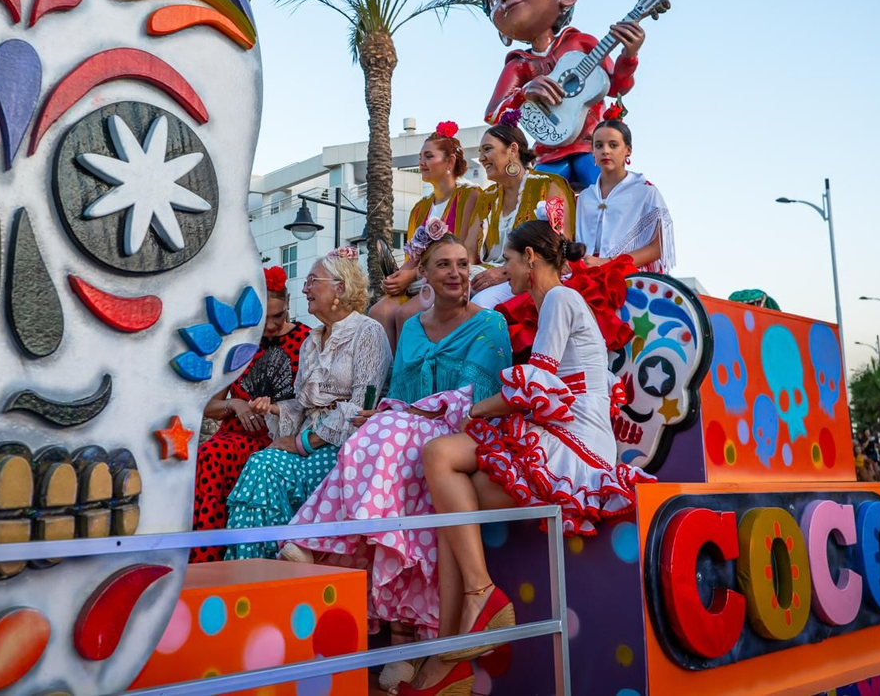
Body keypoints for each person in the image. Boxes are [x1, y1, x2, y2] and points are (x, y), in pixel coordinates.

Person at [399, 222, 652, 696]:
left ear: (531, 258)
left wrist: (474, 408)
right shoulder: (557, 301)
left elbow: (539, 386)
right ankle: (450, 656)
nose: (504, 271)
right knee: (456, 508)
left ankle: (480, 595)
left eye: (509, 261)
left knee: (438, 453)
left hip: (570, 443)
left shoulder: (559, 298)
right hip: (563, 435)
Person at [277, 235, 511, 691]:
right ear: (422, 274)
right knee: (375, 431)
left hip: (463, 433)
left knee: (385, 432)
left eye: (463, 264)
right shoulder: (413, 326)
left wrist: (399, 415)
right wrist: (388, 411)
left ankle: (318, 535)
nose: (456, 273)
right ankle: (402, 631)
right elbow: (401, 395)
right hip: (414, 431)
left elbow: (475, 402)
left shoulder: (490, 324)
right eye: (443, 264)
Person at [224, 249, 391, 560]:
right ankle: (262, 567)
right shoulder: (311, 340)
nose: (304, 289)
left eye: (313, 281)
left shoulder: (368, 332)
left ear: (340, 287)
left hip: (345, 451)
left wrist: (301, 442)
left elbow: (359, 409)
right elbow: (300, 406)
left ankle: (260, 566)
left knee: (264, 466)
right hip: (312, 444)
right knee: (261, 464)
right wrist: (274, 410)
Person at [479, 0, 646, 191]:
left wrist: (629, 55)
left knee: (610, 195)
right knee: (536, 207)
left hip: (592, 147)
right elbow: (493, 115)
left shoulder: (580, 43)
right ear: (501, 32)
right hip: (547, 153)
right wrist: (525, 93)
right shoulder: (518, 65)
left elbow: (617, 86)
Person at [188, 266, 311, 562]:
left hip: (277, 438)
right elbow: (207, 405)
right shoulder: (240, 344)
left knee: (212, 456)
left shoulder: (308, 340)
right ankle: (205, 559)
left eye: (278, 316)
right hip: (233, 437)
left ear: (289, 305)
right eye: (264, 317)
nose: (270, 326)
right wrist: (235, 404)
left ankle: (219, 559)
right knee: (209, 454)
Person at [370, 122, 485, 343]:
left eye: (428, 156)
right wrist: (396, 278)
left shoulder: (470, 195)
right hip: (420, 279)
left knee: (405, 314)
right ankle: (391, 375)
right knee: (378, 312)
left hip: (448, 279)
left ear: (450, 161)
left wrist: (412, 275)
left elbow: (465, 253)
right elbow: (413, 255)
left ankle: (412, 373)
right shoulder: (420, 208)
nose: (421, 163)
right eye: (421, 157)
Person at [471, 122, 574, 311]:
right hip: (485, 278)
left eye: (487, 149)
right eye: (480, 151)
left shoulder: (549, 185)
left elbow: (559, 247)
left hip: (533, 276)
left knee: (480, 304)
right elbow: (469, 252)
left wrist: (505, 272)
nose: (481, 158)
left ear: (512, 149)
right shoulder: (486, 198)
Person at [576, 116, 674, 272]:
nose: (605, 151)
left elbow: (658, 247)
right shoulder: (585, 197)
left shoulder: (645, 192)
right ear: (592, 151)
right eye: (599, 145)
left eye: (613, 145)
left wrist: (609, 262)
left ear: (628, 150)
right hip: (586, 271)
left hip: (629, 273)